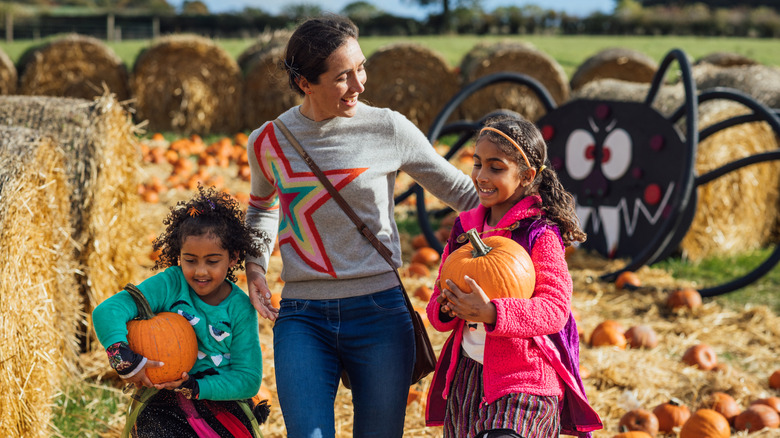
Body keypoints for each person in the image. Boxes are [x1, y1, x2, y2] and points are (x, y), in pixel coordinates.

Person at [244, 14, 479, 438]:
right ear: (305, 83)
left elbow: (463, 192)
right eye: (342, 77)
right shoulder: (268, 141)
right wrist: (255, 266)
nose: (359, 85)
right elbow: (262, 207)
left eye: (361, 68)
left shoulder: (388, 127)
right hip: (301, 317)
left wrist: (534, 214)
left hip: (380, 314)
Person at [425, 116, 603, 438]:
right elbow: (438, 304)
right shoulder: (465, 229)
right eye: (478, 164)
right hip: (467, 377)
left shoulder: (539, 233)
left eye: (496, 167)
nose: (481, 176)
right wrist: (448, 307)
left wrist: (493, 312)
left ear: (527, 175)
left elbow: (554, 310)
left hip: (525, 379)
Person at [93, 185, 269, 437]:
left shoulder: (240, 307)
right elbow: (108, 311)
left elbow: (248, 378)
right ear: (178, 256)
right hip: (162, 403)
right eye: (190, 260)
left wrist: (195, 386)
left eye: (212, 261)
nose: (200, 271)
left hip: (220, 404)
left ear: (233, 258)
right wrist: (123, 358)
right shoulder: (171, 283)